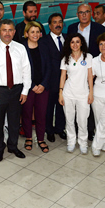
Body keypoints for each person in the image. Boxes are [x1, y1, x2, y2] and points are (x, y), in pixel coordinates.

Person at [0, 19, 31, 162]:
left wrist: (25, 91)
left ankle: (13, 146)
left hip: (16, 90)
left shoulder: (20, 48)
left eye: (10, 30)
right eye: (4, 30)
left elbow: (26, 70)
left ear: (14, 32)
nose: (7, 33)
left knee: (14, 122)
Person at [67, 3, 105, 142]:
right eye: (81, 12)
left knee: (88, 100)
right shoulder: (71, 28)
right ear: (77, 15)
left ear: (91, 14)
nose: (84, 15)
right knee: (75, 99)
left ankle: (89, 130)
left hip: (92, 70)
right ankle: (75, 129)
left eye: (87, 12)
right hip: (76, 71)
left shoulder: (100, 29)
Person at [59, 33, 94, 154]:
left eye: (77, 41)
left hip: (83, 93)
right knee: (69, 119)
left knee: (82, 120)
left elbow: (90, 76)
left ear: (82, 43)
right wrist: (60, 92)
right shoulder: (65, 58)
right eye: (72, 42)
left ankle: (83, 142)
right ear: (69, 44)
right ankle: (71, 141)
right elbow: (63, 76)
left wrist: (91, 92)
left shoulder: (88, 57)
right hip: (68, 93)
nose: (75, 44)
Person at [21, 21, 51, 152]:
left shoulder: (44, 46)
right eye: (32, 32)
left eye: (37, 32)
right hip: (28, 87)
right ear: (26, 33)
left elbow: (49, 67)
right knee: (26, 113)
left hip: (43, 87)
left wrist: (43, 84)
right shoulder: (22, 48)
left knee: (41, 114)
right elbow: (20, 69)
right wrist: (32, 85)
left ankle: (40, 138)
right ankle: (28, 137)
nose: (35, 34)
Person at [43, 13, 67, 143]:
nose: (58, 25)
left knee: (61, 106)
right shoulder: (44, 41)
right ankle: (49, 130)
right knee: (49, 107)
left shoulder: (68, 39)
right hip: (50, 81)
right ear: (50, 25)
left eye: (60, 22)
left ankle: (59, 128)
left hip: (66, 81)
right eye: (54, 22)